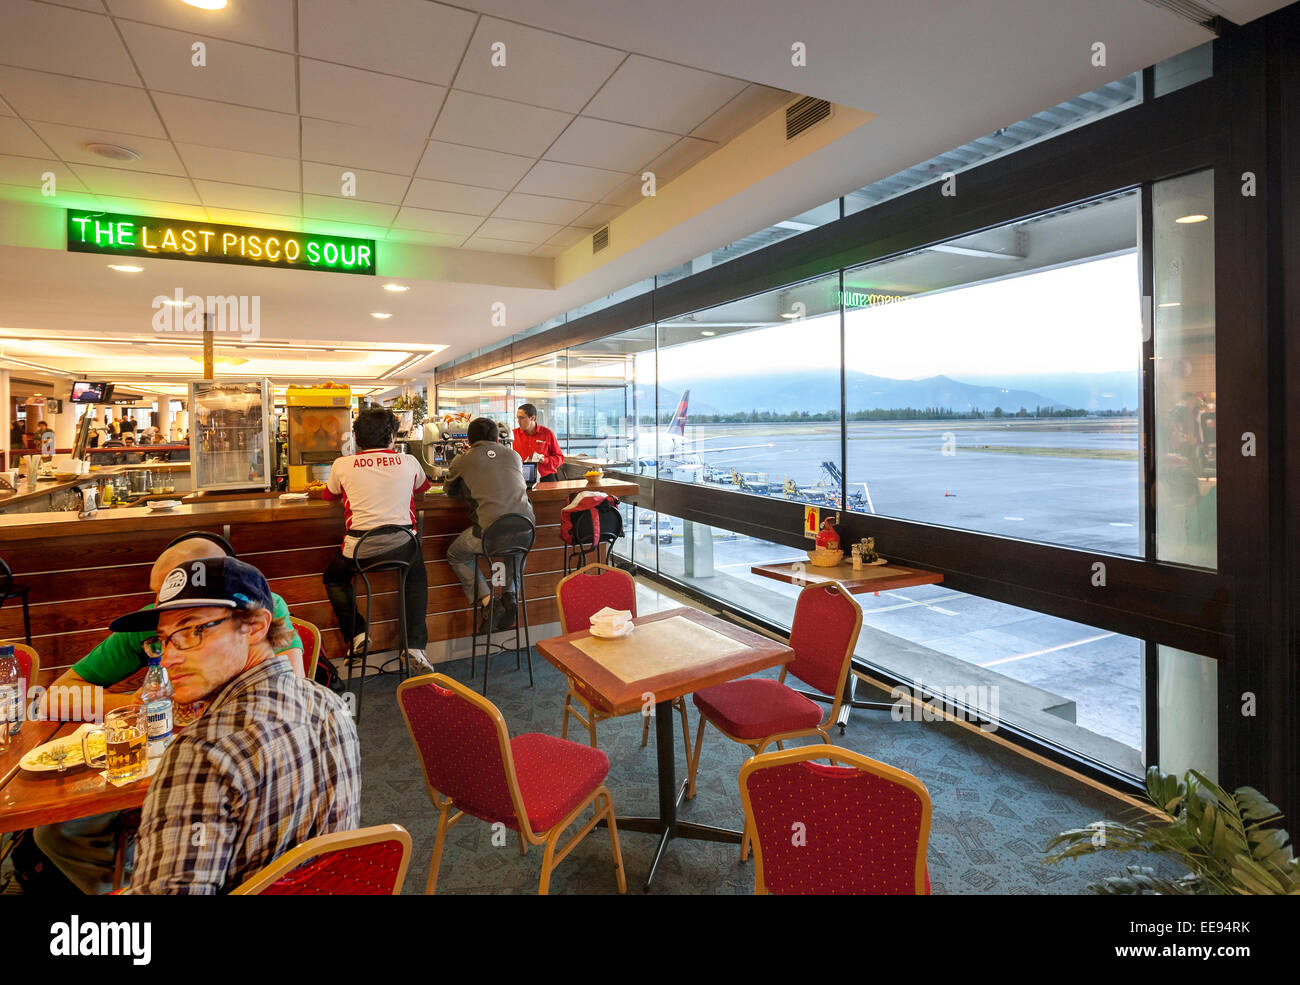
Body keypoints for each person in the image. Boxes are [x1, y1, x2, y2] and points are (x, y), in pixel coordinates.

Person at [29, 534, 305, 895]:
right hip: (157, 763)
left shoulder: (253, 607)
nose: (163, 607)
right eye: (159, 596)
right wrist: (137, 703)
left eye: (189, 625)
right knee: (56, 830)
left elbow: (289, 694)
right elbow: (55, 699)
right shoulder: (152, 621)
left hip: (222, 773)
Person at [115, 557, 360, 893]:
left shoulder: (201, 752)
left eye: (191, 631)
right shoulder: (331, 705)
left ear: (256, 626)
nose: (169, 658)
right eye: (165, 639)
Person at [322, 407, 432, 670]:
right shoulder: (409, 461)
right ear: (392, 437)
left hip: (360, 550)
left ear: (357, 439)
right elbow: (423, 489)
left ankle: (357, 633)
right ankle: (414, 648)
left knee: (334, 578)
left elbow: (329, 496)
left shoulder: (342, 464)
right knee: (416, 577)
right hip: (403, 545)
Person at [446, 416, 535, 631]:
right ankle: (510, 596)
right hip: (527, 530)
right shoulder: (514, 455)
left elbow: (449, 490)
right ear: (497, 437)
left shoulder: (463, 459)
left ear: (469, 439)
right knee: (513, 550)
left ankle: (489, 602)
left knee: (455, 555)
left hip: (491, 535)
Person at [513, 403, 564, 483]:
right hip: (520, 479)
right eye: (517, 418)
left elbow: (560, 458)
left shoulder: (547, 433)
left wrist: (544, 460)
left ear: (532, 418)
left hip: (546, 478)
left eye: (521, 418)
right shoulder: (513, 435)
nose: (518, 421)